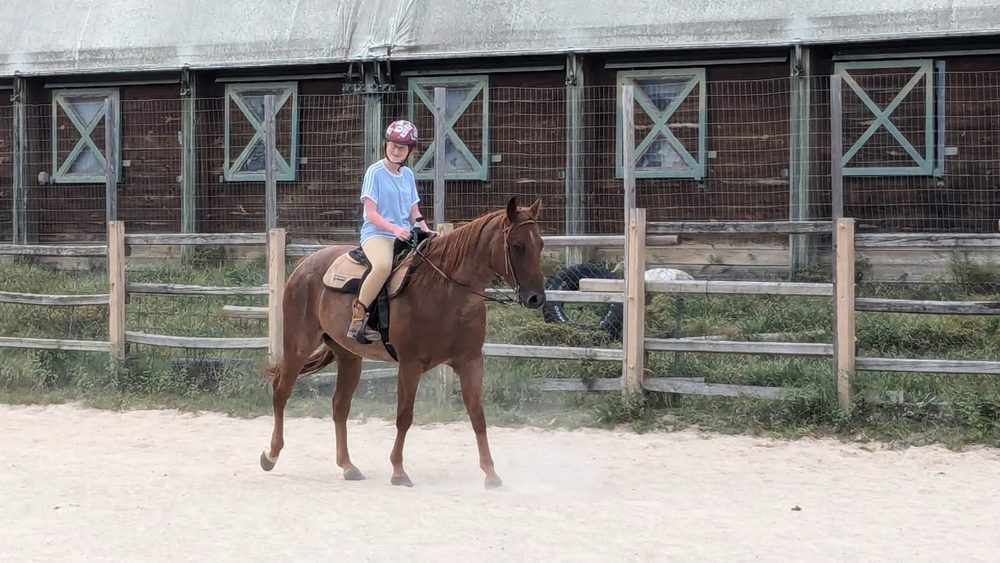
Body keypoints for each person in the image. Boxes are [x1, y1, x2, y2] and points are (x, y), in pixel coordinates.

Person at [348, 119, 433, 342]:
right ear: (385, 144)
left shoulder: (408, 176)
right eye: (393, 145)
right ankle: (358, 317)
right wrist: (394, 229)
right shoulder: (374, 172)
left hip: (404, 233)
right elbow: (371, 213)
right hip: (377, 234)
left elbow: (414, 210)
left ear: (409, 151)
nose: (396, 150)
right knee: (384, 265)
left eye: (402, 147)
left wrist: (427, 230)